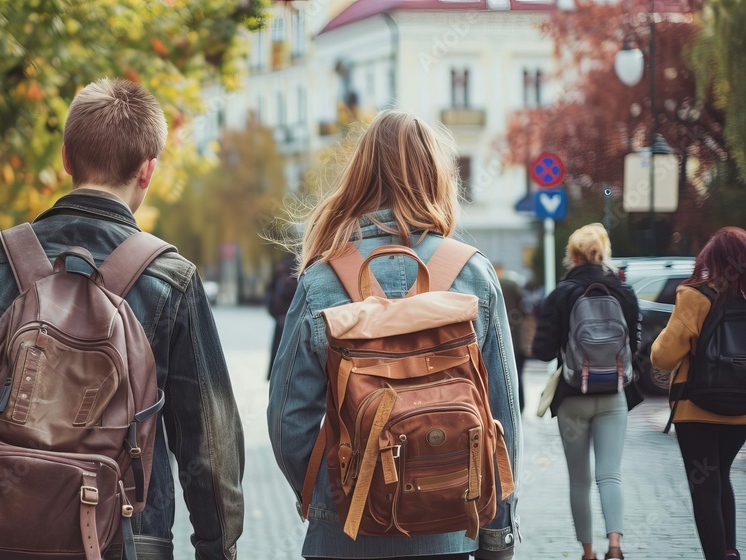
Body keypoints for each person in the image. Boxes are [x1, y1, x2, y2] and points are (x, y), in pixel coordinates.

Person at [0, 78, 245, 559]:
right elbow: (207, 437)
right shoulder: (172, 278)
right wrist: (217, 549)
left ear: (66, 159)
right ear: (148, 171)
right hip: (128, 538)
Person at [267, 111, 520, 560]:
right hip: (452, 530)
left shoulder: (322, 279)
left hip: (346, 539)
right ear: (437, 179)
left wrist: (337, 499)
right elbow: (502, 413)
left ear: (361, 176)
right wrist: (497, 534)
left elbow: (289, 419)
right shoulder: (474, 274)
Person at [532, 223, 642, 560]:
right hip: (613, 395)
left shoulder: (562, 293)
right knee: (610, 474)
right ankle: (615, 546)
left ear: (573, 255)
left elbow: (541, 350)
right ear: (603, 252)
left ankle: (589, 553)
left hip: (572, 398)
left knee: (579, 480)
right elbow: (635, 345)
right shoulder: (623, 292)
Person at [651, 227, 746, 560]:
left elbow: (663, 357)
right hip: (741, 413)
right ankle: (731, 552)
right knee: (721, 477)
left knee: (704, 486)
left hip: (697, 409)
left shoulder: (696, 296)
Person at [495, 264, 527, 412]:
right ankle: (520, 404)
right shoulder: (513, 285)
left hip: (498, 338)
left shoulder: (492, 283)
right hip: (516, 339)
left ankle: (506, 406)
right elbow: (524, 309)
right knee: (518, 374)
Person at [266, 252, 299, 379]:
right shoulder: (292, 269)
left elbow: (272, 292)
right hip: (288, 318)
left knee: (280, 355)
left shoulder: (282, 269)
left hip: (283, 317)